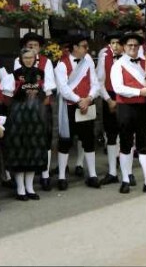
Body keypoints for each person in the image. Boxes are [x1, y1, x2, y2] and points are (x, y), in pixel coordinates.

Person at [110, 32, 146, 194]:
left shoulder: (145, 63)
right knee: (126, 144)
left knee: (144, 145)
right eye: (129, 45)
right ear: (124, 47)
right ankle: (126, 179)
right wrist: (141, 91)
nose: (133, 48)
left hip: (143, 108)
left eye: (135, 45)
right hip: (125, 108)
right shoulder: (118, 65)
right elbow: (118, 88)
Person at [1, 48, 49, 201]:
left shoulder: (41, 73)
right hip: (19, 117)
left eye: (31, 57)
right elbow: (6, 98)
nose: (28, 60)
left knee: (33, 151)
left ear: (35, 58)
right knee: (20, 151)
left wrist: (38, 94)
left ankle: (30, 187)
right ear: (21, 59)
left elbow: (46, 94)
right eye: (25, 57)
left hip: (35, 116)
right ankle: (20, 189)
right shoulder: (13, 75)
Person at [54, 35, 101, 190]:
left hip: (86, 104)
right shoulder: (61, 65)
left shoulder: (88, 61)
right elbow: (63, 88)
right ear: (75, 47)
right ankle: (61, 176)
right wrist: (79, 100)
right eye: (84, 46)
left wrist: (89, 98)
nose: (87, 49)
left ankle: (92, 174)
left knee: (88, 139)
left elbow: (95, 83)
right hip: (70, 106)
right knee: (65, 141)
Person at [14, 32, 56, 191]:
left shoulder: (46, 62)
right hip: (23, 106)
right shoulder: (17, 61)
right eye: (29, 46)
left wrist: (41, 98)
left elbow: (50, 84)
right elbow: (17, 83)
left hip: (41, 104)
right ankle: (24, 180)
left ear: (39, 48)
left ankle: (45, 175)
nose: (32, 48)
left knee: (45, 138)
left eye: (35, 46)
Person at [96, 31, 125, 185]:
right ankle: (112, 172)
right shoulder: (104, 57)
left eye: (118, 43)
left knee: (126, 134)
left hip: (126, 97)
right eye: (112, 43)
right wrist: (108, 100)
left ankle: (128, 173)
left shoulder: (130, 59)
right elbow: (99, 81)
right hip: (111, 97)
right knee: (111, 134)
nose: (115, 46)